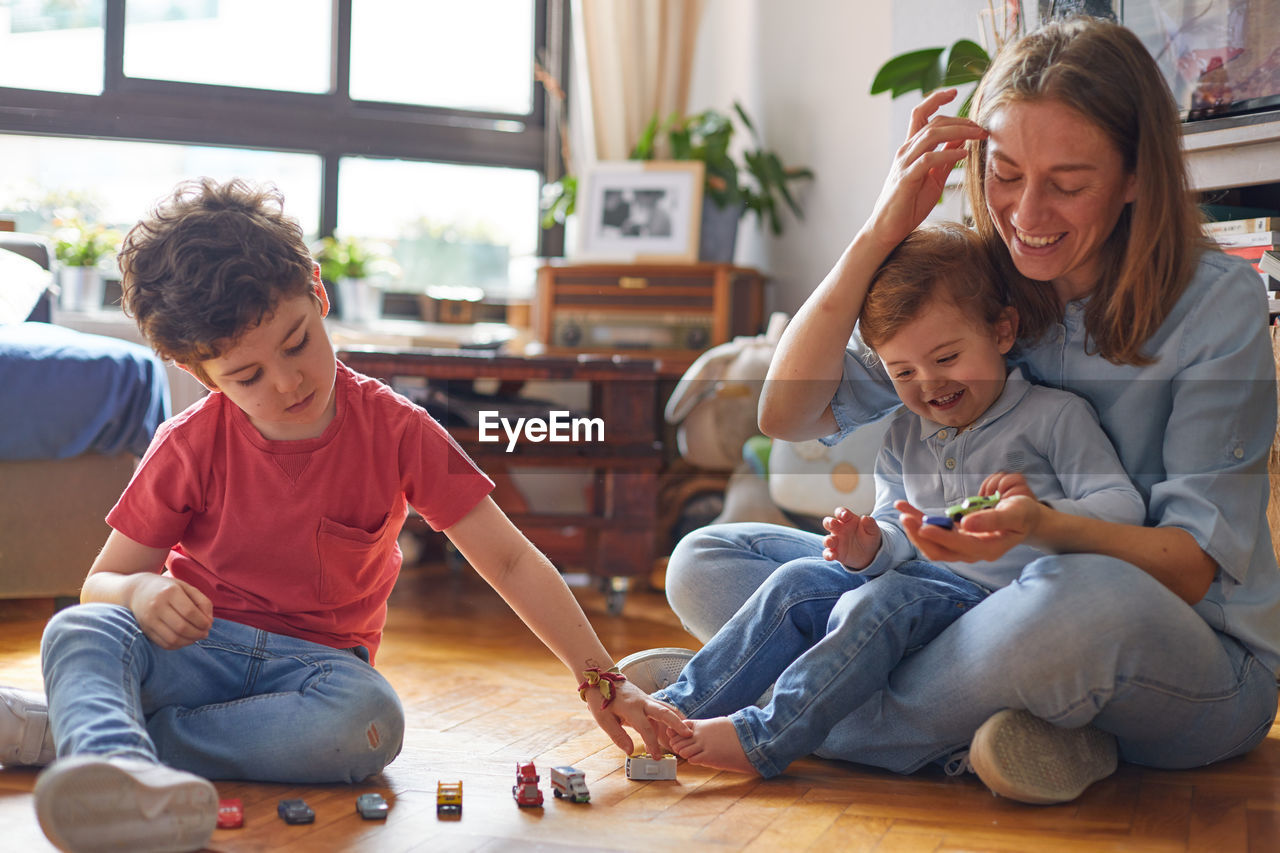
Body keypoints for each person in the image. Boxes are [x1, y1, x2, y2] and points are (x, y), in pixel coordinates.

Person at [629, 16, 1280, 805]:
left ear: (1136, 175)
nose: (1027, 215)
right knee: (707, 559)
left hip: (1189, 652)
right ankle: (1010, 732)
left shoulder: (1218, 305)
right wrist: (880, 229)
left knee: (1080, 603)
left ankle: (764, 706)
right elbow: (785, 415)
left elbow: (1189, 565)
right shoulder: (980, 284)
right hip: (959, 610)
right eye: (1005, 174)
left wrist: (1043, 525)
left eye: (1068, 184)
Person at [0, 178, 685, 853]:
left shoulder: (399, 430)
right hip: (193, 653)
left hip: (316, 676)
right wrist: (142, 590)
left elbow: (508, 558)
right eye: (248, 376)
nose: (287, 382)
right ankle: (115, 768)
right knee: (83, 629)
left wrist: (604, 678)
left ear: (319, 293)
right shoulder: (188, 442)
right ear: (202, 372)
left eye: (297, 342)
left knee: (369, 722)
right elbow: (103, 585)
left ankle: (95, 739)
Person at [642, 222, 1144, 780]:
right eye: (902, 371)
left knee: (872, 605)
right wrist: (869, 546)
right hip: (913, 590)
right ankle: (678, 709)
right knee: (796, 581)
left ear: (1003, 331)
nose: (929, 384)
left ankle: (765, 735)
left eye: (947, 357)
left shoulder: (1056, 416)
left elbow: (1123, 505)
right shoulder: (907, 432)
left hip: (993, 608)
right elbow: (898, 528)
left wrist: (1041, 521)